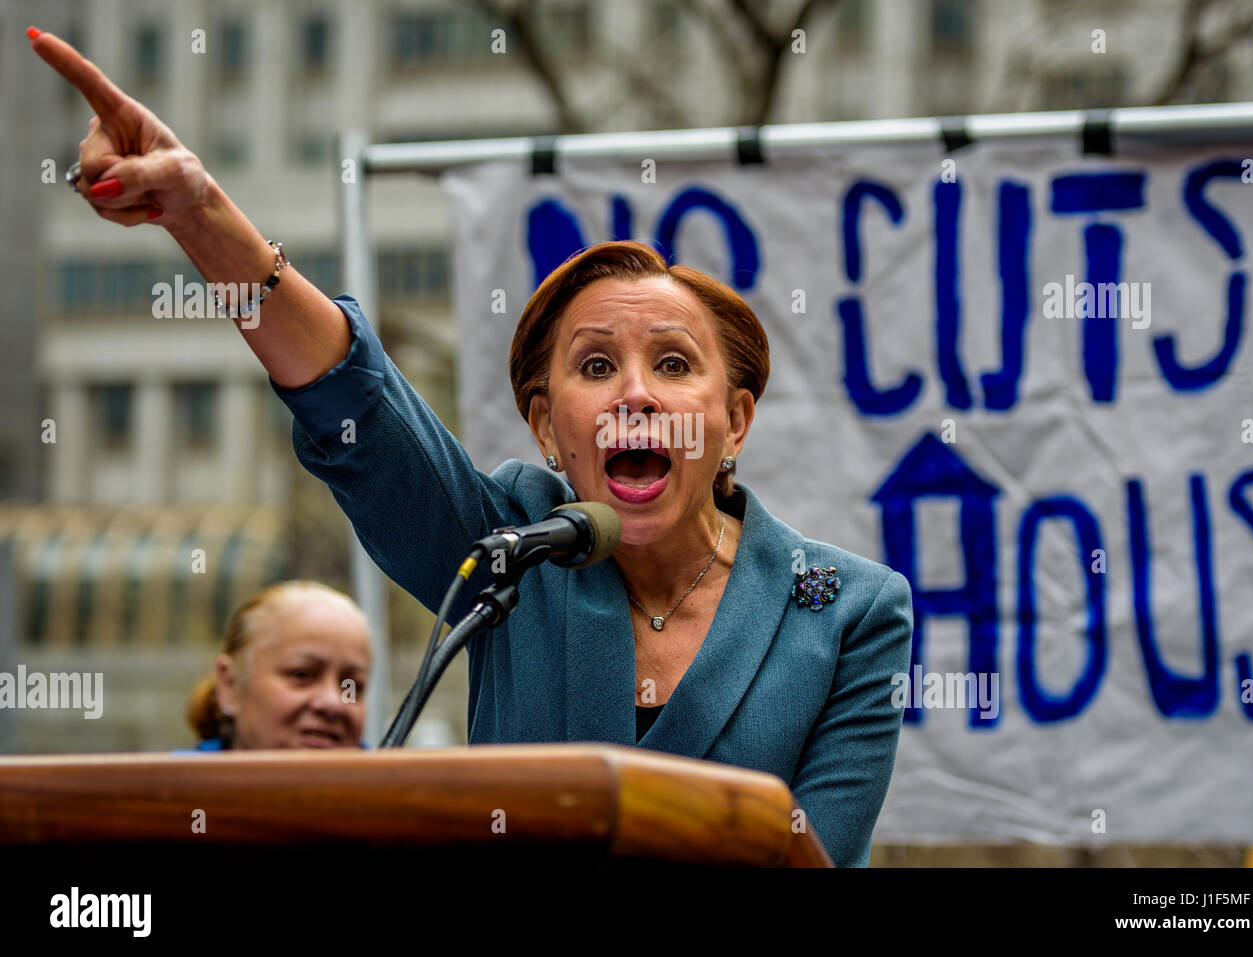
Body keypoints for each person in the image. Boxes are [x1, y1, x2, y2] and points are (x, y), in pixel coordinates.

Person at [29, 28, 913, 866]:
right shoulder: (512, 546)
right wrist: (199, 211)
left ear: (736, 422)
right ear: (545, 425)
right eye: (596, 365)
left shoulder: (846, 611)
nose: (636, 393)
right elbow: (357, 408)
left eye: (674, 364)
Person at [184, 580, 372, 751]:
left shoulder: (395, 786)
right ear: (230, 684)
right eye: (302, 675)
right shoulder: (169, 785)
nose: (333, 703)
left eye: (353, 685)